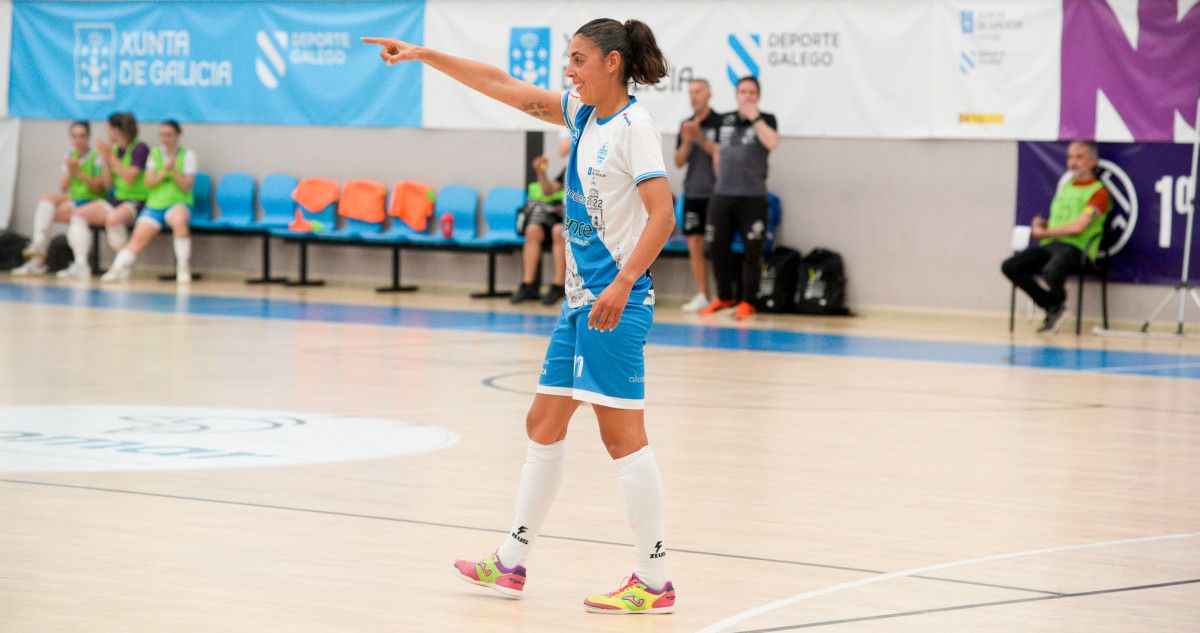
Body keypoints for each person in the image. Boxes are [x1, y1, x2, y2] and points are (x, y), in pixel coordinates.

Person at [366, 17, 677, 615]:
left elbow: (662, 215)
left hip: (616, 304)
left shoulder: (634, 126)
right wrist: (424, 53)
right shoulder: (582, 114)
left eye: (580, 59)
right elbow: (502, 84)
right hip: (580, 306)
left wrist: (622, 283)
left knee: (623, 440)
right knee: (542, 423)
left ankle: (654, 578)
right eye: (569, 59)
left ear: (612, 63)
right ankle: (512, 562)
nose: (569, 69)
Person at [1002, 140, 1111, 333]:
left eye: (1079, 157)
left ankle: (1055, 303)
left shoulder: (1099, 193)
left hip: (1077, 249)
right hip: (1051, 245)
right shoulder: (1066, 186)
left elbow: (1078, 227)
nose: (1073, 162)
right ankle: (1052, 305)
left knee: (1051, 270)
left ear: (1093, 161)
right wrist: (1043, 224)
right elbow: (1059, 222)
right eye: (1070, 157)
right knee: (1011, 266)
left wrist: (1044, 232)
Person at [699, 75, 779, 320]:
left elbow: (772, 142)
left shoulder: (767, 120)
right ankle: (724, 297)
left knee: (752, 252)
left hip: (752, 198)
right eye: (743, 92)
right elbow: (718, 154)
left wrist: (754, 117)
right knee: (717, 247)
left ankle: (748, 301)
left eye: (752, 92)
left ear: (758, 96)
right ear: (736, 95)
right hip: (723, 195)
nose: (747, 96)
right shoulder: (725, 120)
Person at [101, 119, 198, 283]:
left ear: (178, 135)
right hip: (155, 204)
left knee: (179, 220)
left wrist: (173, 171)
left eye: (169, 134)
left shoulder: (188, 155)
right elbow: (149, 182)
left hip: (178, 202)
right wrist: (163, 172)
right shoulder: (154, 154)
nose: (165, 138)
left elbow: (186, 186)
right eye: (162, 135)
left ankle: (183, 267)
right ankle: (118, 268)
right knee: (138, 237)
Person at [58, 112, 150, 280]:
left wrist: (109, 156)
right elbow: (108, 185)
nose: (107, 133)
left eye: (109, 129)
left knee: (113, 219)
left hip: (137, 200)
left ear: (116, 130)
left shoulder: (140, 148)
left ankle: (123, 264)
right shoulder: (114, 150)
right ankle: (81, 265)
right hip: (116, 198)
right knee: (78, 215)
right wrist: (106, 160)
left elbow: (129, 178)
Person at [11, 121, 106, 275]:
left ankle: (45, 255)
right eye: (74, 136)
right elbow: (63, 187)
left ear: (88, 137)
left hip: (92, 200)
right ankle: (37, 255)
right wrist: (70, 170)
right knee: (46, 203)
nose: (78, 140)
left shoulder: (96, 156)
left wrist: (78, 171)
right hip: (74, 198)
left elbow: (98, 186)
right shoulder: (70, 155)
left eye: (82, 136)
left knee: (51, 215)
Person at [674, 78, 721, 312]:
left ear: (709, 94)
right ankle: (703, 293)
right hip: (693, 191)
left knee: (718, 244)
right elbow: (678, 161)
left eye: (698, 91)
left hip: (717, 193)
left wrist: (701, 138)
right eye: (691, 92)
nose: (694, 96)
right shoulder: (685, 125)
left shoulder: (721, 122)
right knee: (694, 242)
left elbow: (721, 155)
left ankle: (723, 296)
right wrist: (688, 140)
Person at [511, 155, 567, 305]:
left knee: (558, 231)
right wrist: (541, 172)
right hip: (556, 215)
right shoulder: (568, 167)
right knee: (532, 229)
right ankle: (528, 284)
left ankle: (558, 284)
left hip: (571, 221)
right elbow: (548, 190)